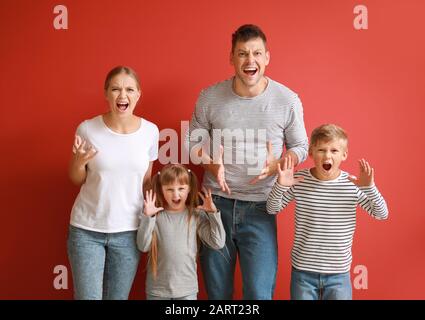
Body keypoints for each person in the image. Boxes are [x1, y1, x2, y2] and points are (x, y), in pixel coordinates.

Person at [187, 24, 309, 299]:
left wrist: (278, 164)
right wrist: (211, 164)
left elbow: (301, 147)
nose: (249, 60)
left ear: (267, 57)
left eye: (256, 53)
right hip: (214, 205)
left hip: (261, 208)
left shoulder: (287, 100)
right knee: (218, 295)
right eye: (242, 54)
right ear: (231, 58)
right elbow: (192, 144)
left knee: (258, 293)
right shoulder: (209, 97)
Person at [267, 124, 389, 300]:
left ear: (344, 155)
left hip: (339, 275)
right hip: (303, 272)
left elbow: (381, 214)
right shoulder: (300, 181)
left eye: (334, 150)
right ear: (311, 153)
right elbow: (272, 209)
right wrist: (280, 186)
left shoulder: (352, 185)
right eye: (321, 150)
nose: (327, 155)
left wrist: (370, 188)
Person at [67, 66, 159, 300]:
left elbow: (146, 180)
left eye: (129, 89)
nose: (122, 95)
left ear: (138, 94)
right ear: (106, 93)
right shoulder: (87, 129)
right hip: (87, 230)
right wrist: (78, 163)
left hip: (128, 232)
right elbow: (77, 178)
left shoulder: (150, 131)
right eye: (116, 89)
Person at [136, 164, 225, 300]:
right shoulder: (156, 216)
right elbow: (143, 246)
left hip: (187, 290)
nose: (176, 194)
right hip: (157, 291)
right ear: (161, 189)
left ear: (189, 189)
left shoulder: (195, 215)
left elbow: (217, 242)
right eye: (170, 189)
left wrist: (213, 213)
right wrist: (148, 217)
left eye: (181, 189)